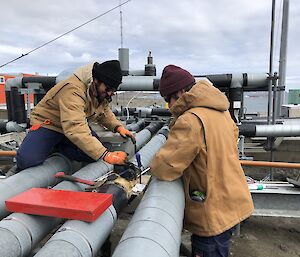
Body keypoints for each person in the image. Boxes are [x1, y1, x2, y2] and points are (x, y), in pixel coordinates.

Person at [150, 65, 254, 257]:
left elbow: (165, 168)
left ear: (181, 92)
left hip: (211, 213)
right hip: (230, 202)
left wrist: (153, 161)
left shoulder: (190, 120)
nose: (170, 106)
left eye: (168, 100)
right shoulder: (222, 112)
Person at [16, 60, 135, 170]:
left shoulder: (98, 91)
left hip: (70, 127)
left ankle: (57, 147)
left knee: (92, 154)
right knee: (27, 161)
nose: (109, 93)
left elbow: (103, 111)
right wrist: (105, 154)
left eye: (113, 90)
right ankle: (50, 146)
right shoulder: (73, 89)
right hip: (49, 125)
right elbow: (75, 127)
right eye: (108, 88)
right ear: (96, 80)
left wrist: (118, 127)